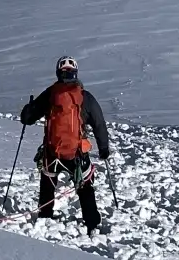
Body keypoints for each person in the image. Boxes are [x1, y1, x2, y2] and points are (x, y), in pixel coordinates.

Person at [20, 56, 111, 234]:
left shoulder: (51, 94)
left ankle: (45, 216)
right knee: (84, 186)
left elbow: (27, 119)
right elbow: (99, 123)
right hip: (76, 153)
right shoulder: (85, 97)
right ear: (76, 73)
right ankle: (92, 222)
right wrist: (104, 149)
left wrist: (28, 109)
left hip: (52, 152)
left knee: (47, 183)